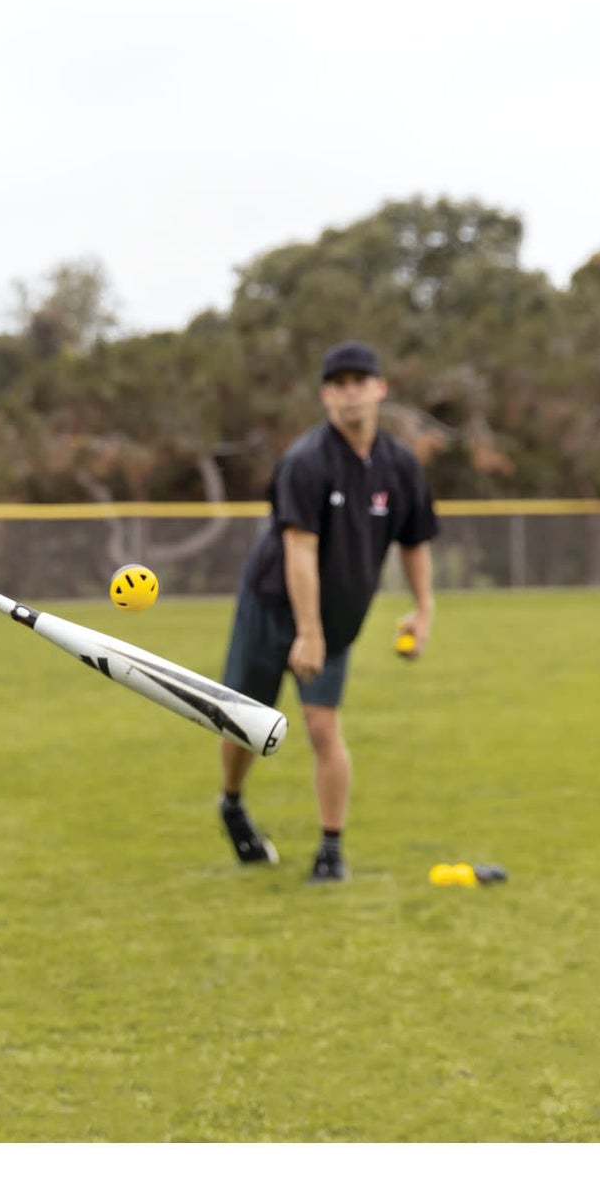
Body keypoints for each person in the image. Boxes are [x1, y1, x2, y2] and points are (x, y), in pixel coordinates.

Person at [216, 339, 438, 883]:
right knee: (245, 720)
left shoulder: (400, 465)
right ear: (325, 396)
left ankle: (331, 850)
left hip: (337, 613)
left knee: (320, 726)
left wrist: (424, 609)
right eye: (338, 385)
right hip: (272, 605)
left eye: (360, 382)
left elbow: (414, 542)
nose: (350, 394)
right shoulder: (306, 461)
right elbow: (299, 549)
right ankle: (232, 802)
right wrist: (306, 631)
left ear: (380, 389)